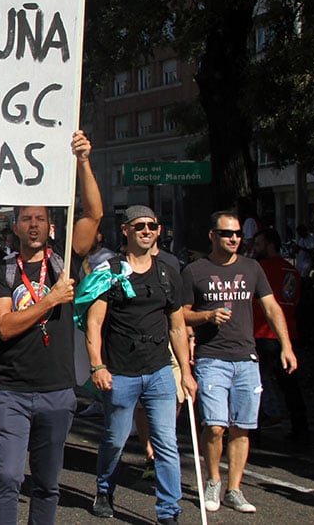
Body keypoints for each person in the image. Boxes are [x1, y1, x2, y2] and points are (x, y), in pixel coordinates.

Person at [0, 129, 101, 525]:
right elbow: (4, 326)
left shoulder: (64, 262)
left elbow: (93, 215)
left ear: (51, 226)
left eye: (40, 219)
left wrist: (83, 160)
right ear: (14, 226)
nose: (33, 225)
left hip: (57, 391)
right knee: (8, 476)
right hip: (11, 392)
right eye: (26, 219)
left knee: (48, 483)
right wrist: (49, 300)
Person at [182, 210, 297, 514]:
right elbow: (180, 314)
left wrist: (286, 345)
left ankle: (234, 489)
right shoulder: (195, 271)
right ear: (212, 236)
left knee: (242, 428)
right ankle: (212, 481)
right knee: (216, 425)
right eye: (226, 234)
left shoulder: (252, 268)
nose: (233, 239)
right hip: (211, 358)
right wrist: (206, 316)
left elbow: (271, 308)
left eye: (236, 234)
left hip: (246, 358)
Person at [86, 205, 195, 525]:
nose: (147, 231)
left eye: (152, 226)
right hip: (121, 372)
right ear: (126, 231)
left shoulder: (167, 272)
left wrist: (186, 372)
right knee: (114, 440)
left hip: (160, 370)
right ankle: (104, 489)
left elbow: (176, 326)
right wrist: (97, 365)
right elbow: (94, 322)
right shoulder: (110, 271)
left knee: (166, 443)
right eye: (139, 226)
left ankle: (168, 511)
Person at [251, 228, 307, 441]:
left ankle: (254, 429)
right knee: (290, 386)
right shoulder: (291, 270)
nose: (254, 249)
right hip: (287, 335)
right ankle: (301, 430)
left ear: (269, 244)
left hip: (263, 332)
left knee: (256, 383)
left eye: (258, 244)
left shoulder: (261, 269)